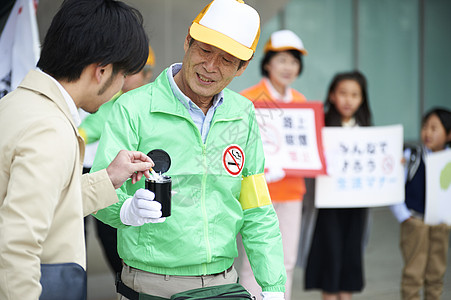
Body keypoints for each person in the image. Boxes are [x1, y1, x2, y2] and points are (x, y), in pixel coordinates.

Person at [91, 0, 287, 299]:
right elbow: (99, 191)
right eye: (205, 50)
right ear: (187, 41)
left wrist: (273, 286)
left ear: (242, 67)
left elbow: (257, 208)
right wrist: (126, 211)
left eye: (226, 59)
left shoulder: (242, 113)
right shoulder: (134, 108)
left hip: (224, 284)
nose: (210, 67)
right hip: (152, 286)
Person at [0, 0, 153, 299]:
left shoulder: (15, 105)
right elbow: (17, 245)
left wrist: (108, 178)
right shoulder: (50, 128)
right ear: (102, 70)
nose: (121, 86)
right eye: (123, 76)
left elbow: (51, 204)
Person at [238, 29, 308, 300]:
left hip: (292, 191)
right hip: (257, 192)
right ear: (267, 63)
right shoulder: (248, 98)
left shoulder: (302, 103)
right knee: (253, 262)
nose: (288, 67)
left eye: (293, 61)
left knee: (287, 260)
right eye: (282, 60)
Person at [78, 46, 156, 276]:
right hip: (108, 179)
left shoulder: (154, 102)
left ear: (147, 74)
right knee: (106, 236)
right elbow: (91, 127)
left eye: (132, 72)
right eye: (123, 71)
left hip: (139, 183)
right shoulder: (114, 101)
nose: (124, 77)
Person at [304, 71, 372, 300]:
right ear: (332, 95)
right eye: (343, 93)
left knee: (352, 255)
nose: (348, 99)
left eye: (354, 94)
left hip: (357, 205)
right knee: (330, 256)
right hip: (328, 205)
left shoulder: (366, 130)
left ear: (362, 99)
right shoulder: (320, 125)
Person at [390, 108, 451, 300]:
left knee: (436, 272)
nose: (427, 133)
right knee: (413, 274)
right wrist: (403, 215)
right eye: (425, 127)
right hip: (415, 221)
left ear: (449, 134)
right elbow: (395, 186)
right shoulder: (412, 156)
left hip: (441, 223)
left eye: (434, 128)